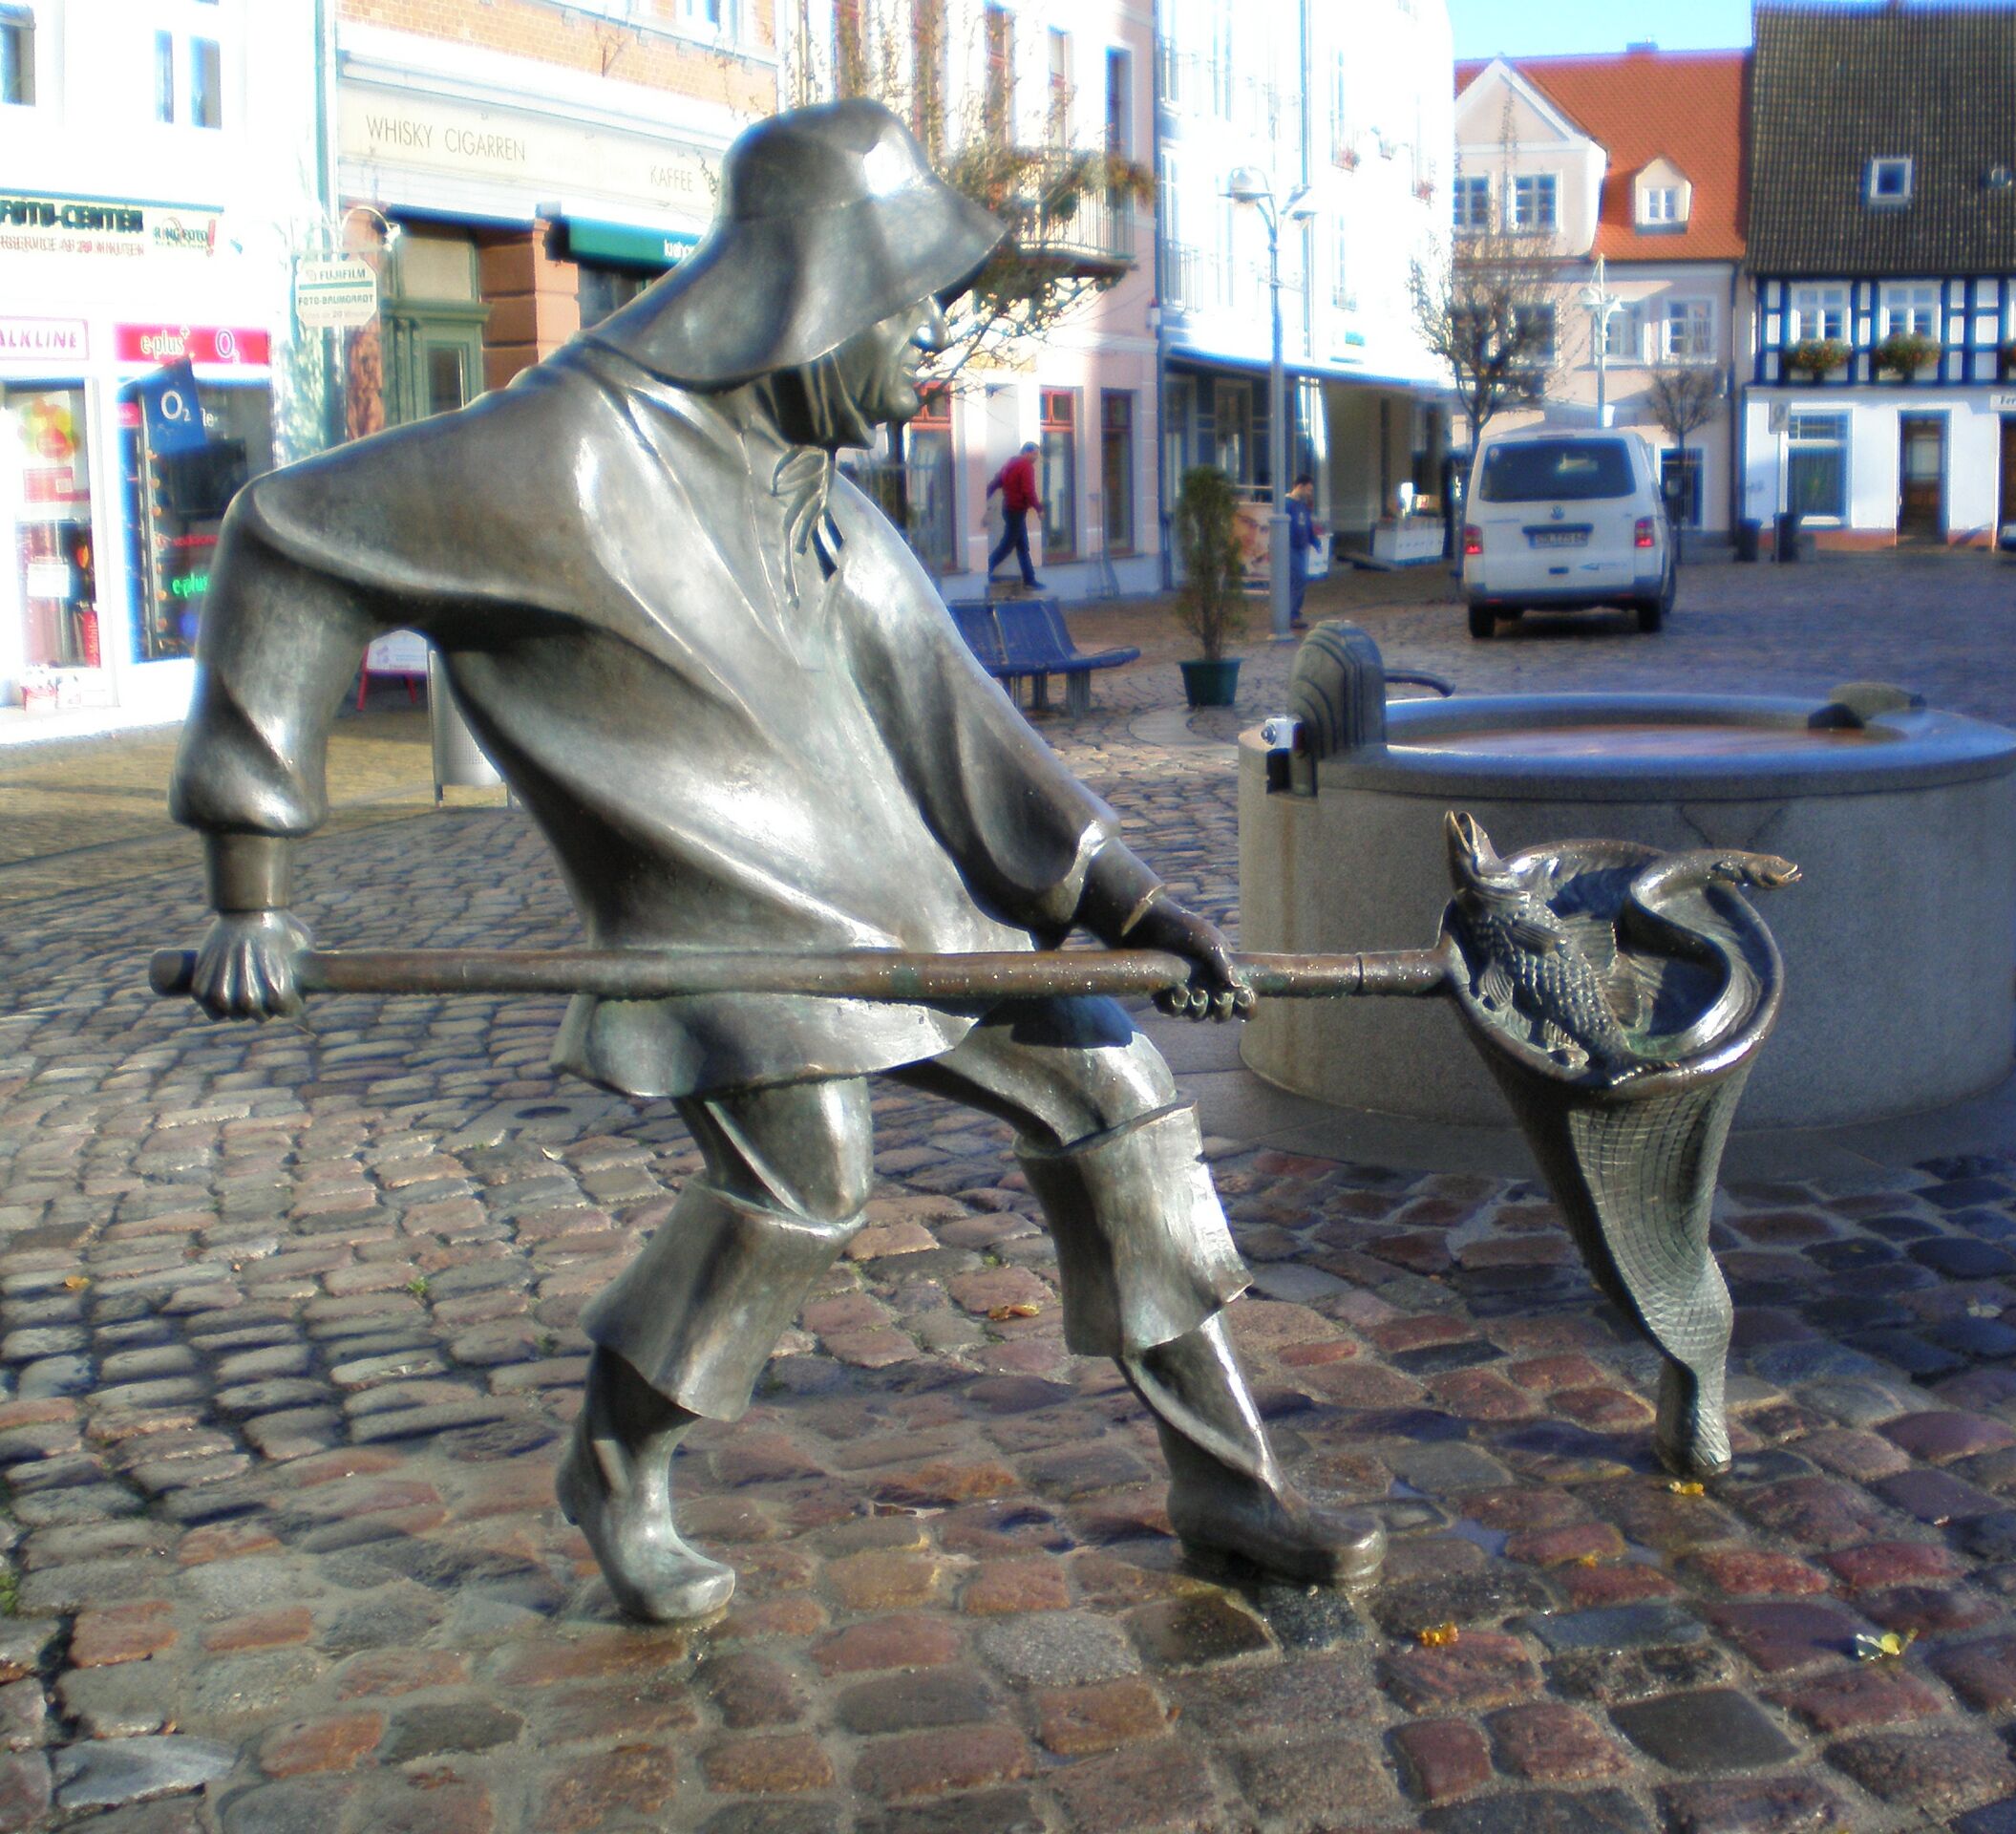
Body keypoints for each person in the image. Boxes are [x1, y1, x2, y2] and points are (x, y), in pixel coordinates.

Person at [168, 100, 1384, 1623]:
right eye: (909, 317)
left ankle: (1226, 1478)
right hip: (729, 935)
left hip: (913, 918)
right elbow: (287, 538)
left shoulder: (824, 501)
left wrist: (1133, 900)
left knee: (1117, 1089)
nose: (919, 362)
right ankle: (616, 1465)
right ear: (819, 300)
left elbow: (964, 729)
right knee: (810, 1182)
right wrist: (252, 888)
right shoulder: (555, 461)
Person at [984, 439, 1042, 588]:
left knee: (1022, 546)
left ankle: (1029, 580)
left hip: (1009, 509)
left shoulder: (1010, 463)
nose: (1036, 458)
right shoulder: (1025, 466)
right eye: (1034, 454)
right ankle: (986, 570)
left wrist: (984, 496)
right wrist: (1039, 509)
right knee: (1008, 545)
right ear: (1026, 452)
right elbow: (1028, 490)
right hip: (1017, 510)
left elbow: (998, 480)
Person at [1284, 474, 1324, 627]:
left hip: (1301, 547)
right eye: (1308, 490)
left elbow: (1307, 526)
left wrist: (1315, 542)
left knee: (1300, 580)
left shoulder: (1302, 505)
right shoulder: (1287, 504)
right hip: (1291, 547)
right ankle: (1292, 615)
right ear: (1300, 486)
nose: (1309, 493)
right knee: (1297, 579)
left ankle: (1294, 614)